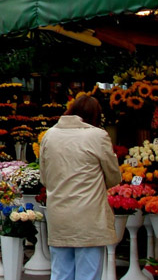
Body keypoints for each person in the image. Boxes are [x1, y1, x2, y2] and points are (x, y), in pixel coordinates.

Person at [40, 94, 121, 280]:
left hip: (58, 214)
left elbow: (44, 178)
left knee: (60, 273)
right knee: (88, 273)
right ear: (95, 116)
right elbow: (113, 175)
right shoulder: (98, 136)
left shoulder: (49, 135)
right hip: (90, 215)